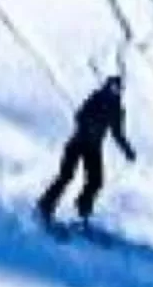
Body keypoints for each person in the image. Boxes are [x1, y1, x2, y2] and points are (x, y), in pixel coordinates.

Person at [38, 74, 136, 225]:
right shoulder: (96, 98)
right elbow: (79, 116)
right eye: (113, 88)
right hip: (77, 143)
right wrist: (88, 125)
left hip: (93, 148)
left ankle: (82, 210)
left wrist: (127, 150)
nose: (116, 91)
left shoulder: (117, 109)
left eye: (119, 89)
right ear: (108, 86)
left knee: (96, 181)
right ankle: (45, 206)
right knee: (66, 175)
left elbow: (117, 133)